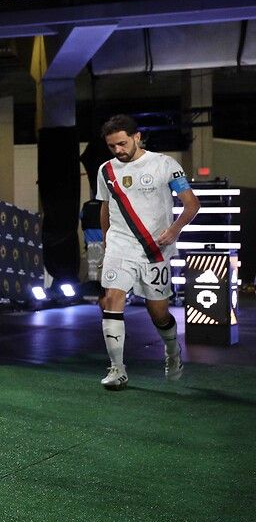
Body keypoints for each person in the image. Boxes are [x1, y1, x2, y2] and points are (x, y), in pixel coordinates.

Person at [95, 115, 199, 390]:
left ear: (137, 137)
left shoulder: (165, 164)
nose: (118, 150)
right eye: (112, 146)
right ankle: (117, 369)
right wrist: (106, 241)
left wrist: (175, 230)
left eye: (122, 143)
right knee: (111, 299)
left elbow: (191, 204)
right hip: (120, 245)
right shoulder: (106, 170)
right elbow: (105, 207)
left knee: (159, 313)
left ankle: (172, 350)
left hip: (155, 249)